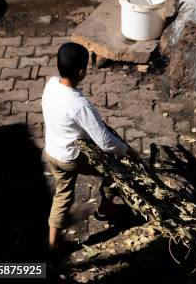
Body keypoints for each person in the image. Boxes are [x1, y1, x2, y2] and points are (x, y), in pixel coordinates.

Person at [42, 42, 139, 251]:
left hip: (52, 151)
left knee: (63, 195)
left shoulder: (50, 85)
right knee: (115, 168)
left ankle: (52, 244)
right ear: (80, 72)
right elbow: (105, 141)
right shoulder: (79, 104)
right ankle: (107, 207)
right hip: (71, 157)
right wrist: (128, 150)